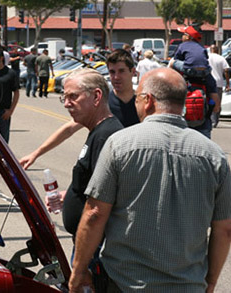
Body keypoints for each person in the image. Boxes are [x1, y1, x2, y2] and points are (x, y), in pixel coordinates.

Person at [69, 68, 231, 292]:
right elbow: (224, 229)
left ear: (148, 100)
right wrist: (210, 281)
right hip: (188, 285)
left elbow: (95, 214)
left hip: (125, 283)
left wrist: (78, 271)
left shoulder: (119, 144)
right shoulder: (214, 156)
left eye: (137, 98)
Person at [47, 69, 124, 290]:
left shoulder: (106, 136)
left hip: (93, 250)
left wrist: (81, 268)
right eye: (64, 97)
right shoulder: (97, 132)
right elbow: (94, 185)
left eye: (73, 96)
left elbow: (100, 207)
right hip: (87, 246)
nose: (66, 103)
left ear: (97, 97)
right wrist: (68, 196)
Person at [19, 49, 139, 169]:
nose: (116, 77)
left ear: (133, 72)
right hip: (108, 167)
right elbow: (69, 129)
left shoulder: (143, 103)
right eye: (112, 72)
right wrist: (36, 153)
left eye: (121, 71)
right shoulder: (102, 102)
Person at [168, 25, 218, 138]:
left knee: (172, 62)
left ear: (188, 37)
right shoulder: (208, 77)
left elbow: (176, 59)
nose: (182, 37)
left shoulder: (176, 80)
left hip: (181, 127)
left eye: (184, 34)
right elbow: (216, 106)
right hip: (202, 125)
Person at [208, 44, 229, 128]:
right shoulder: (221, 58)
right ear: (217, 50)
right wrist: (227, 83)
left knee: (208, 101)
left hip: (208, 82)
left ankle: (209, 120)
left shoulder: (206, 57)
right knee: (217, 102)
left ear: (210, 50)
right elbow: (226, 70)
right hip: (218, 83)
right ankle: (215, 121)